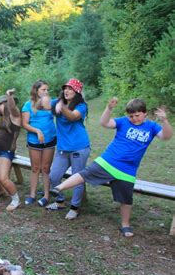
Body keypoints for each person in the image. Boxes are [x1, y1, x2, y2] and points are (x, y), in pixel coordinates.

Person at [50, 98, 173, 237]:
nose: (134, 119)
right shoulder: (123, 121)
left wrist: (164, 121)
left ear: (145, 113)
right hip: (108, 161)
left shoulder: (151, 126)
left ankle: (125, 225)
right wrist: (108, 109)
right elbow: (104, 123)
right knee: (85, 174)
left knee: (126, 200)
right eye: (131, 116)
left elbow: (166, 136)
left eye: (137, 115)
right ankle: (59, 188)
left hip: (127, 170)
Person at [46, 78, 90, 220]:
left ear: (77, 92)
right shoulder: (58, 102)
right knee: (54, 176)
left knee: (77, 177)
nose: (67, 90)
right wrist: (40, 92)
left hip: (79, 147)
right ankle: (60, 202)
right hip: (63, 148)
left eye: (70, 88)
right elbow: (43, 103)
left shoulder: (82, 106)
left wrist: (62, 108)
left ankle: (75, 207)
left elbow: (72, 117)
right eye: (65, 88)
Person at [21, 80, 56, 207]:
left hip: (50, 139)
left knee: (46, 168)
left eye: (47, 90)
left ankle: (46, 196)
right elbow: (24, 123)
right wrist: (37, 131)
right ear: (36, 91)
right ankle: (32, 195)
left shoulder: (50, 104)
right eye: (43, 90)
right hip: (34, 140)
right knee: (35, 168)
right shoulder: (28, 105)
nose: (46, 92)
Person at [0, 89, 22, 211]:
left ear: (5, 104)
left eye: (0, 105)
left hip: (6, 151)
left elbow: (12, 108)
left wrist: (9, 96)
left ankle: (16, 200)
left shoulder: (15, 116)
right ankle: (1, 191)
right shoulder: (2, 116)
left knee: (3, 178)